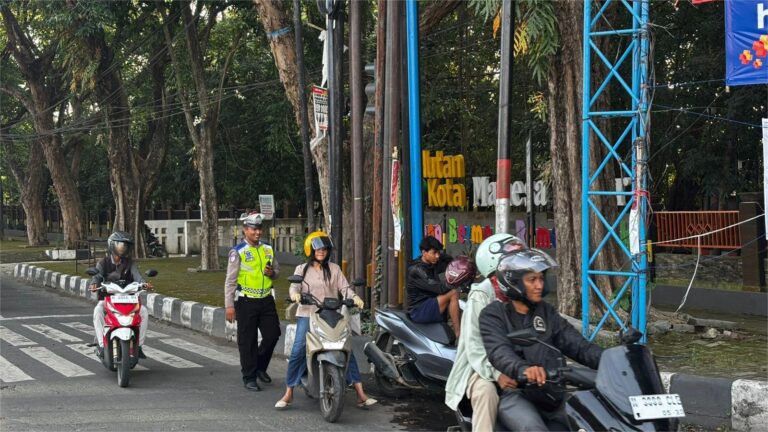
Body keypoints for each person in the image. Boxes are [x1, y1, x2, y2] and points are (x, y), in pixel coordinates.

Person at [479, 249, 604, 431]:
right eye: (532, 280)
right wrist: (523, 369)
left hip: (553, 394)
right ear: (513, 283)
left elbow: (579, 346)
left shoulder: (547, 312)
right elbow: (499, 351)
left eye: (541, 279)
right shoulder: (494, 315)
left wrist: (614, 359)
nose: (539, 285)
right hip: (517, 394)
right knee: (533, 428)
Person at [275, 231, 377, 409]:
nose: (321, 251)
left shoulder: (334, 269)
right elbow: (293, 288)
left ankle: (361, 394)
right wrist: (295, 296)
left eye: (325, 248)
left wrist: (355, 298)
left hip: (331, 314)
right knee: (298, 349)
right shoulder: (301, 269)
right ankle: (289, 391)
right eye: (318, 248)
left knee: (346, 347)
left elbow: (345, 288)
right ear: (310, 249)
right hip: (308, 314)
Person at [445, 234, 526, 431]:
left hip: (519, 364)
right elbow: (475, 346)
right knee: (486, 393)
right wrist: (497, 374)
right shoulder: (481, 296)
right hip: (480, 368)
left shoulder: (524, 292)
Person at [224, 212, 281, 392]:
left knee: (273, 334)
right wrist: (229, 306)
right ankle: (249, 376)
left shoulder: (268, 249)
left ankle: (259, 367)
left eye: (259, 229)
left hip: (266, 299)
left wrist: (272, 273)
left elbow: (277, 271)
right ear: (245, 230)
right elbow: (230, 281)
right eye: (253, 229)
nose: (257, 232)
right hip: (246, 301)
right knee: (247, 341)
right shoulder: (238, 252)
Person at [89, 231, 151, 359]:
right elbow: (97, 276)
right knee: (98, 311)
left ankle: (138, 346)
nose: (122, 248)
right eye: (119, 245)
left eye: (124, 245)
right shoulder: (103, 263)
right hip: (108, 299)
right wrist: (95, 284)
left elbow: (138, 277)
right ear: (112, 245)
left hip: (129, 299)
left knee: (144, 311)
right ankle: (101, 345)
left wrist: (144, 284)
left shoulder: (130, 263)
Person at [406, 236, 461, 336]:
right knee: (453, 293)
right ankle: (459, 334)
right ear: (424, 252)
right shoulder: (416, 270)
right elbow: (439, 288)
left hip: (429, 303)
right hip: (418, 310)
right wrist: (455, 281)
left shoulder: (433, 263)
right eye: (434, 253)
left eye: (438, 252)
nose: (437, 256)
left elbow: (450, 260)